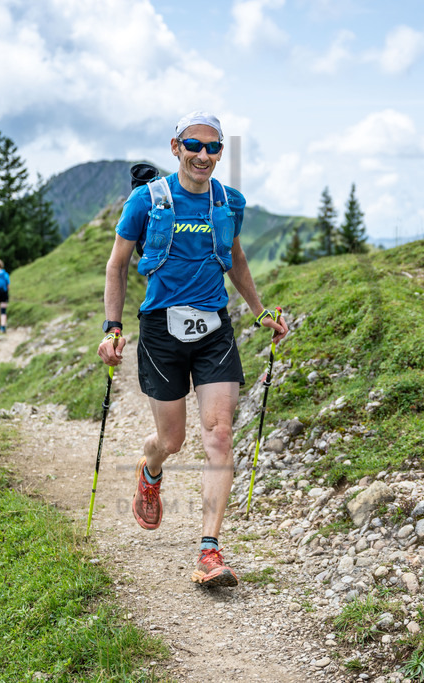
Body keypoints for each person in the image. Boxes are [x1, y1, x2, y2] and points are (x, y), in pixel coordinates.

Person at [97, 111, 288, 588]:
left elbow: (236, 259)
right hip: (161, 330)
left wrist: (261, 311)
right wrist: (113, 327)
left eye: (213, 147)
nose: (203, 155)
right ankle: (151, 467)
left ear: (221, 152)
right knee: (172, 441)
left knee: (219, 434)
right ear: (175, 147)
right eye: (194, 145)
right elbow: (117, 266)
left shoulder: (229, 202)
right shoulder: (146, 202)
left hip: (214, 330)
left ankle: (209, 549)